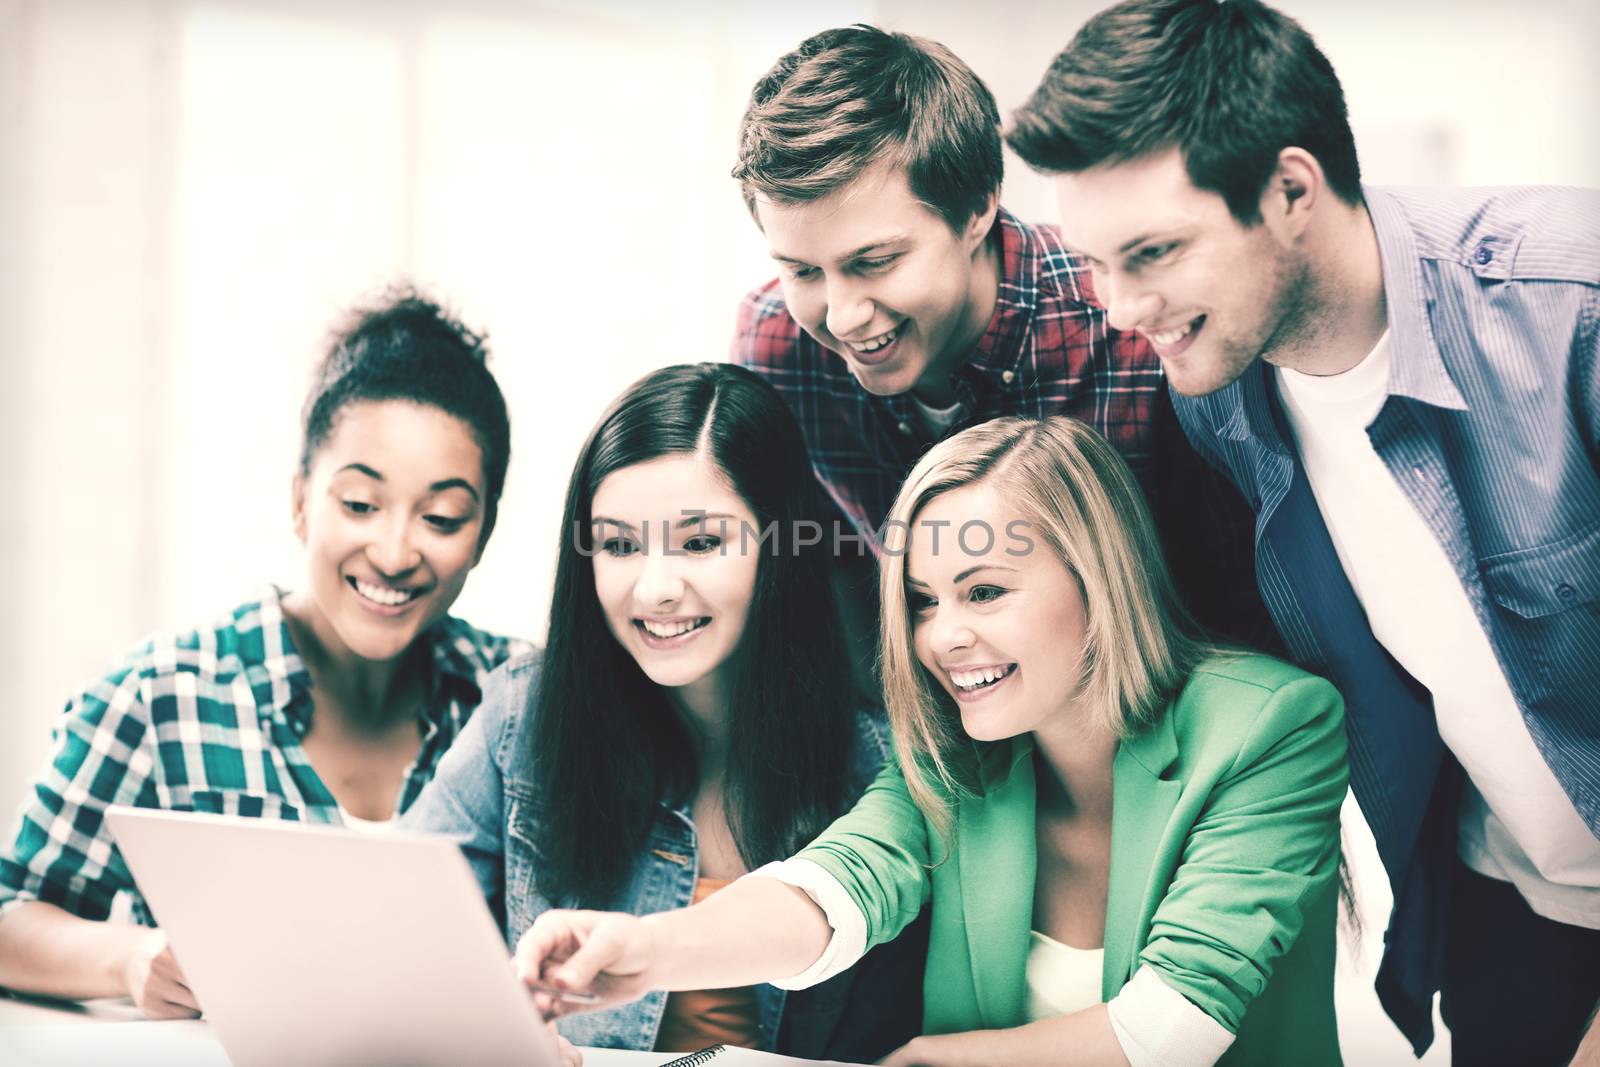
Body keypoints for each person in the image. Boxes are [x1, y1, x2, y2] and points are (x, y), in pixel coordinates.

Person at [1002, 1, 1600, 1063]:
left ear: (1289, 189)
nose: (1119, 307)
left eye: (1152, 251)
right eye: (1093, 261)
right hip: (1510, 902)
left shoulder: (1570, 309)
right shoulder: (1215, 395)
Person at [514, 416, 1349, 1067]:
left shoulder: (1273, 727)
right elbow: (833, 887)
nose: (941, 637)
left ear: (1100, 579)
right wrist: (648, 949)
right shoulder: (959, 755)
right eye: (921, 601)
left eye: (983, 591)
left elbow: (1171, 1029)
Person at [0, 290, 528, 1019]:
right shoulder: (160, 698)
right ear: (300, 501)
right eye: (359, 504)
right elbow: (11, 912)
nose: (396, 550)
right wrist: (129, 958)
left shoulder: (517, 701)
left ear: (484, 531)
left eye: (441, 517)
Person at [402, 363, 925, 1061]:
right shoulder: (522, 713)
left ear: (781, 548)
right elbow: (389, 925)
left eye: (700, 543)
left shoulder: (880, 763)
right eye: (618, 545)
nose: (655, 587)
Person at [728, 23, 1275, 653]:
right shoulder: (777, 345)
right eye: (802, 271)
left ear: (976, 210)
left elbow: (1241, 607)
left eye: (875, 261)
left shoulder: (1134, 327)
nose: (844, 315)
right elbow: (819, 574)